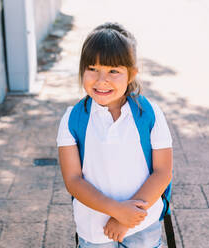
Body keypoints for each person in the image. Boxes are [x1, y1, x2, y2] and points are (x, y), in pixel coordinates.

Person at [56, 22, 173, 248]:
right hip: (93, 229)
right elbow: (73, 180)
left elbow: (162, 172)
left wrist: (125, 220)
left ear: (131, 74)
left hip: (143, 223)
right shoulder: (73, 119)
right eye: (92, 69)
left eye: (113, 71)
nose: (101, 80)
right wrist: (117, 211)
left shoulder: (149, 114)